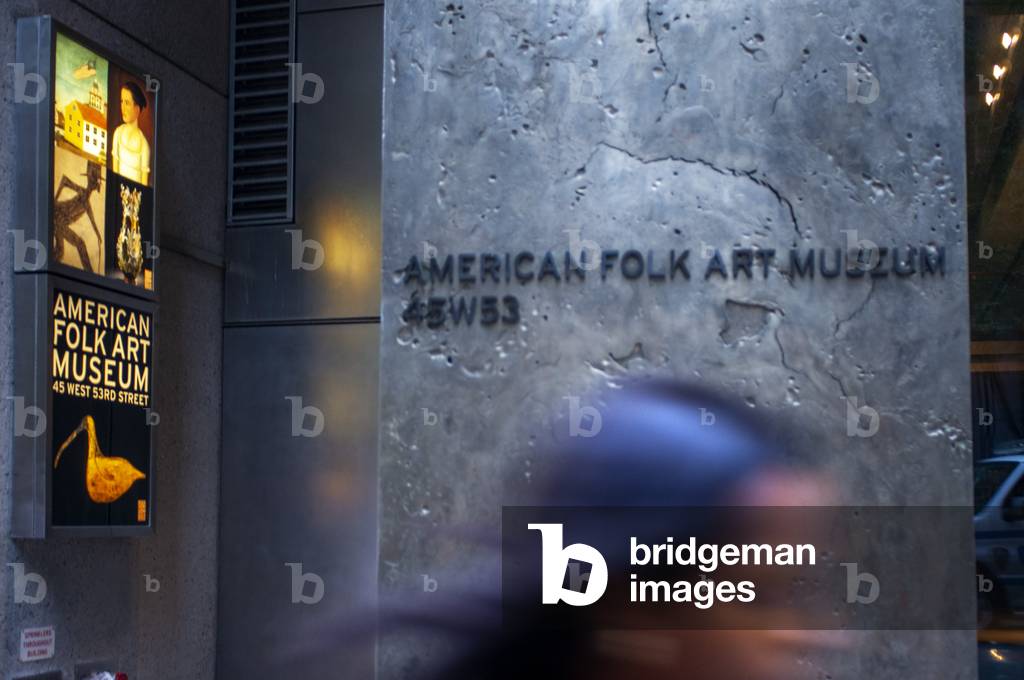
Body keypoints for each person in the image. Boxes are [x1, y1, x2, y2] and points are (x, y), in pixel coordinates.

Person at [111, 81, 150, 185]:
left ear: (137, 109)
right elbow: (114, 175)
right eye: (121, 101)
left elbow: (144, 186)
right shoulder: (118, 133)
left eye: (127, 103)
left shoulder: (144, 145)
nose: (122, 107)